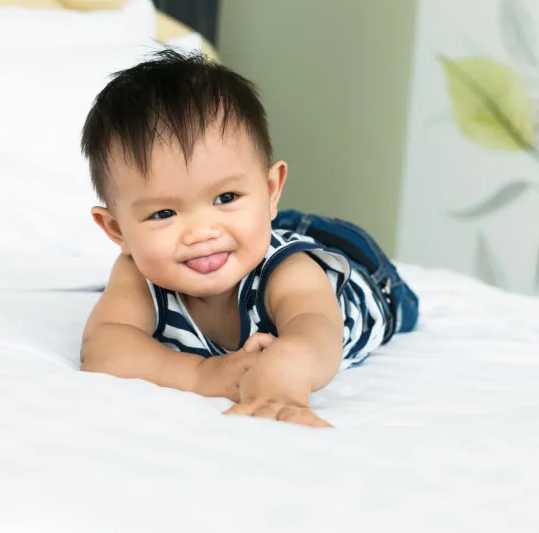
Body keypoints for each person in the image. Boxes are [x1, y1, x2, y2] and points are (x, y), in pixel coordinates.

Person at [78, 49, 418, 428]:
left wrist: (285, 369)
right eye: (163, 214)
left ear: (272, 189)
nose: (201, 233)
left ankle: (282, 227)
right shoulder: (137, 275)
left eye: (225, 197)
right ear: (117, 231)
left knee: (317, 264)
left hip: (365, 277)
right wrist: (201, 374)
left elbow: (316, 329)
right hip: (250, 234)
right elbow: (102, 350)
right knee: (249, 230)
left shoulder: (290, 273)